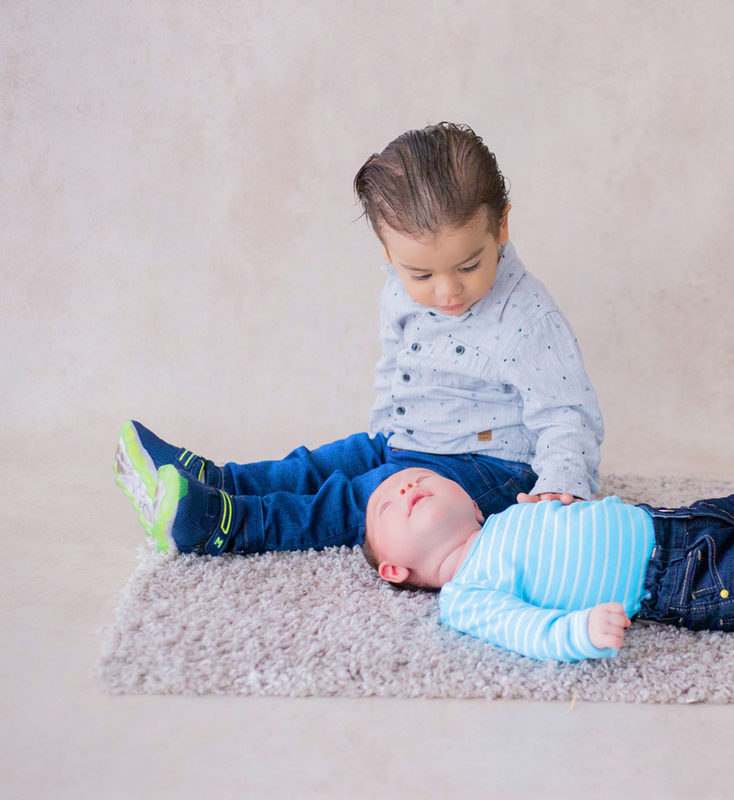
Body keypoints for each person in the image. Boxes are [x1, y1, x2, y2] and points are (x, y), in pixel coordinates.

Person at [113, 123, 603, 556]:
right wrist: (383, 434)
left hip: (489, 469)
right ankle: (217, 480)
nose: (448, 290)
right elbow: (397, 366)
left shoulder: (527, 317)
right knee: (323, 464)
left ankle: (224, 524)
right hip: (408, 439)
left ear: (501, 225)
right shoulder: (398, 291)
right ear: (387, 251)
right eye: (421, 273)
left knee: (358, 499)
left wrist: (560, 490)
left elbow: (568, 411)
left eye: (469, 265)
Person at [350, 467, 734, 662]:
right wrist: (579, 632)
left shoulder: (504, 516)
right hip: (675, 583)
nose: (408, 489)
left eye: (418, 479)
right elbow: (522, 630)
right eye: (389, 505)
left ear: (468, 501)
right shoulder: (466, 596)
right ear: (395, 569)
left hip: (669, 523)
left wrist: (557, 504)